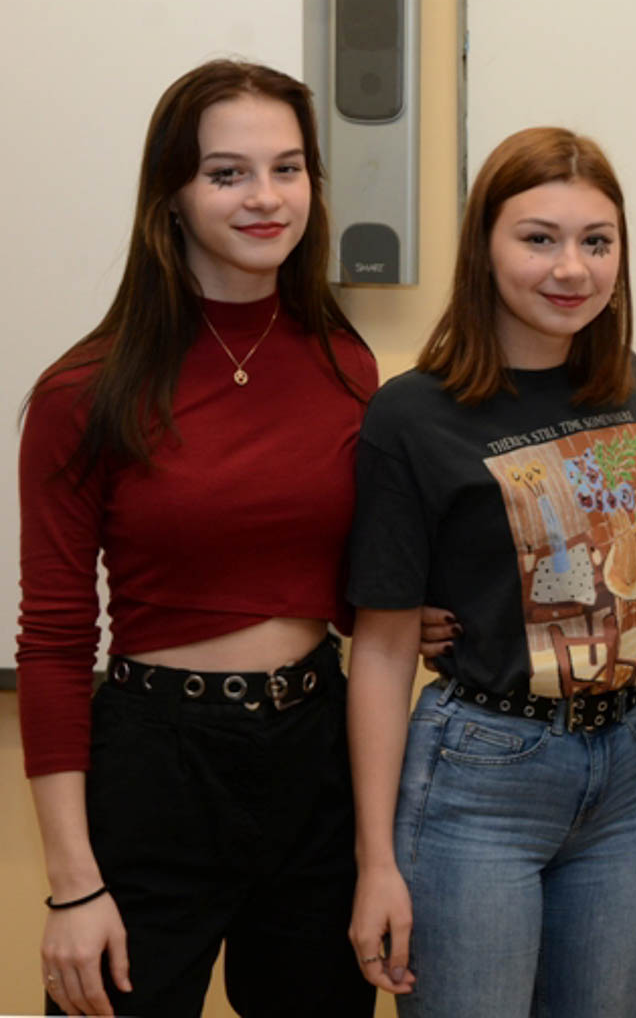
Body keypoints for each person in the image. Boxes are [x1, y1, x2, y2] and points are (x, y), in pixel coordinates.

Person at [16, 59, 378, 1017]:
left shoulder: (347, 363)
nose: (266, 197)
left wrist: (414, 612)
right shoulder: (82, 391)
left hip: (316, 757)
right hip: (157, 767)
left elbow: (336, 580)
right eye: (228, 174)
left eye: (288, 168)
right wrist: (73, 886)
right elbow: (52, 643)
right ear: (171, 195)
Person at [345, 126, 636, 1017]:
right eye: (538, 238)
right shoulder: (412, 415)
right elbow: (381, 650)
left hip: (623, 767)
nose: (572, 268)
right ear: (483, 249)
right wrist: (377, 863)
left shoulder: (627, 382)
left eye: (596, 241)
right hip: (480, 776)